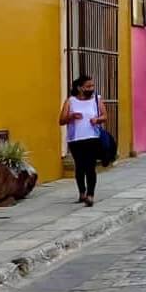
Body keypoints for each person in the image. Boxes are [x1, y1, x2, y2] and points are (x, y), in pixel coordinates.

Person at [59, 75, 107, 207]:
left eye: (92, 86)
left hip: (92, 138)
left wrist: (97, 120)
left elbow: (105, 116)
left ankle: (90, 195)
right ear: (80, 88)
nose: (91, 88)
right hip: (75, 139)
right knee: (80, 166)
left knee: (90, 166)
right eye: (88, 86)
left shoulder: (97, 100)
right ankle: (82, 192)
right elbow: (61, 120)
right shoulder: (71, 101)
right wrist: (71, 116)